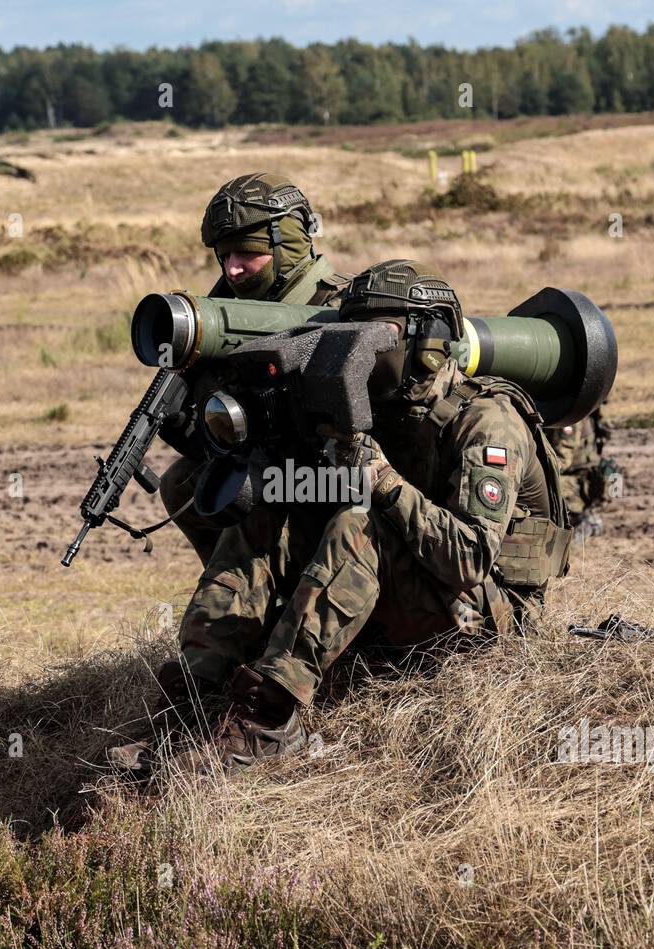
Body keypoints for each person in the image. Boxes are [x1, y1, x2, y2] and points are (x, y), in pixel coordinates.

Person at [122, 260, 572, 774]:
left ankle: (270, 716)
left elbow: (468, 558)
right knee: (270, 510)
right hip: (418, 592)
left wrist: (380, 479)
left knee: (360, 520)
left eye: (379, 334)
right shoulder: (384, 404)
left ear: (429, 343)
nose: (360, 348)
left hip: (486, 616)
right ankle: (191, 703)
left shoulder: (486, 422)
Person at [157, 173, 348, 565]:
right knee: (183, 483)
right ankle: (243, 596)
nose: (232, 270)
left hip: (337, 480)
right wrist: (191, 427)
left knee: (254, 489)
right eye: (224, 256)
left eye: (245, 253)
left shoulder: (340, 308)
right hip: (272, 470)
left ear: (287, 243)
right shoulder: (225, 319)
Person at [552, 405, 616, 542]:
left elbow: (562, 460)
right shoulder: (586, 408)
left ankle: (580, 521)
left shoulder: (571, 417)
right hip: (580, 479)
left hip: (577, 483)